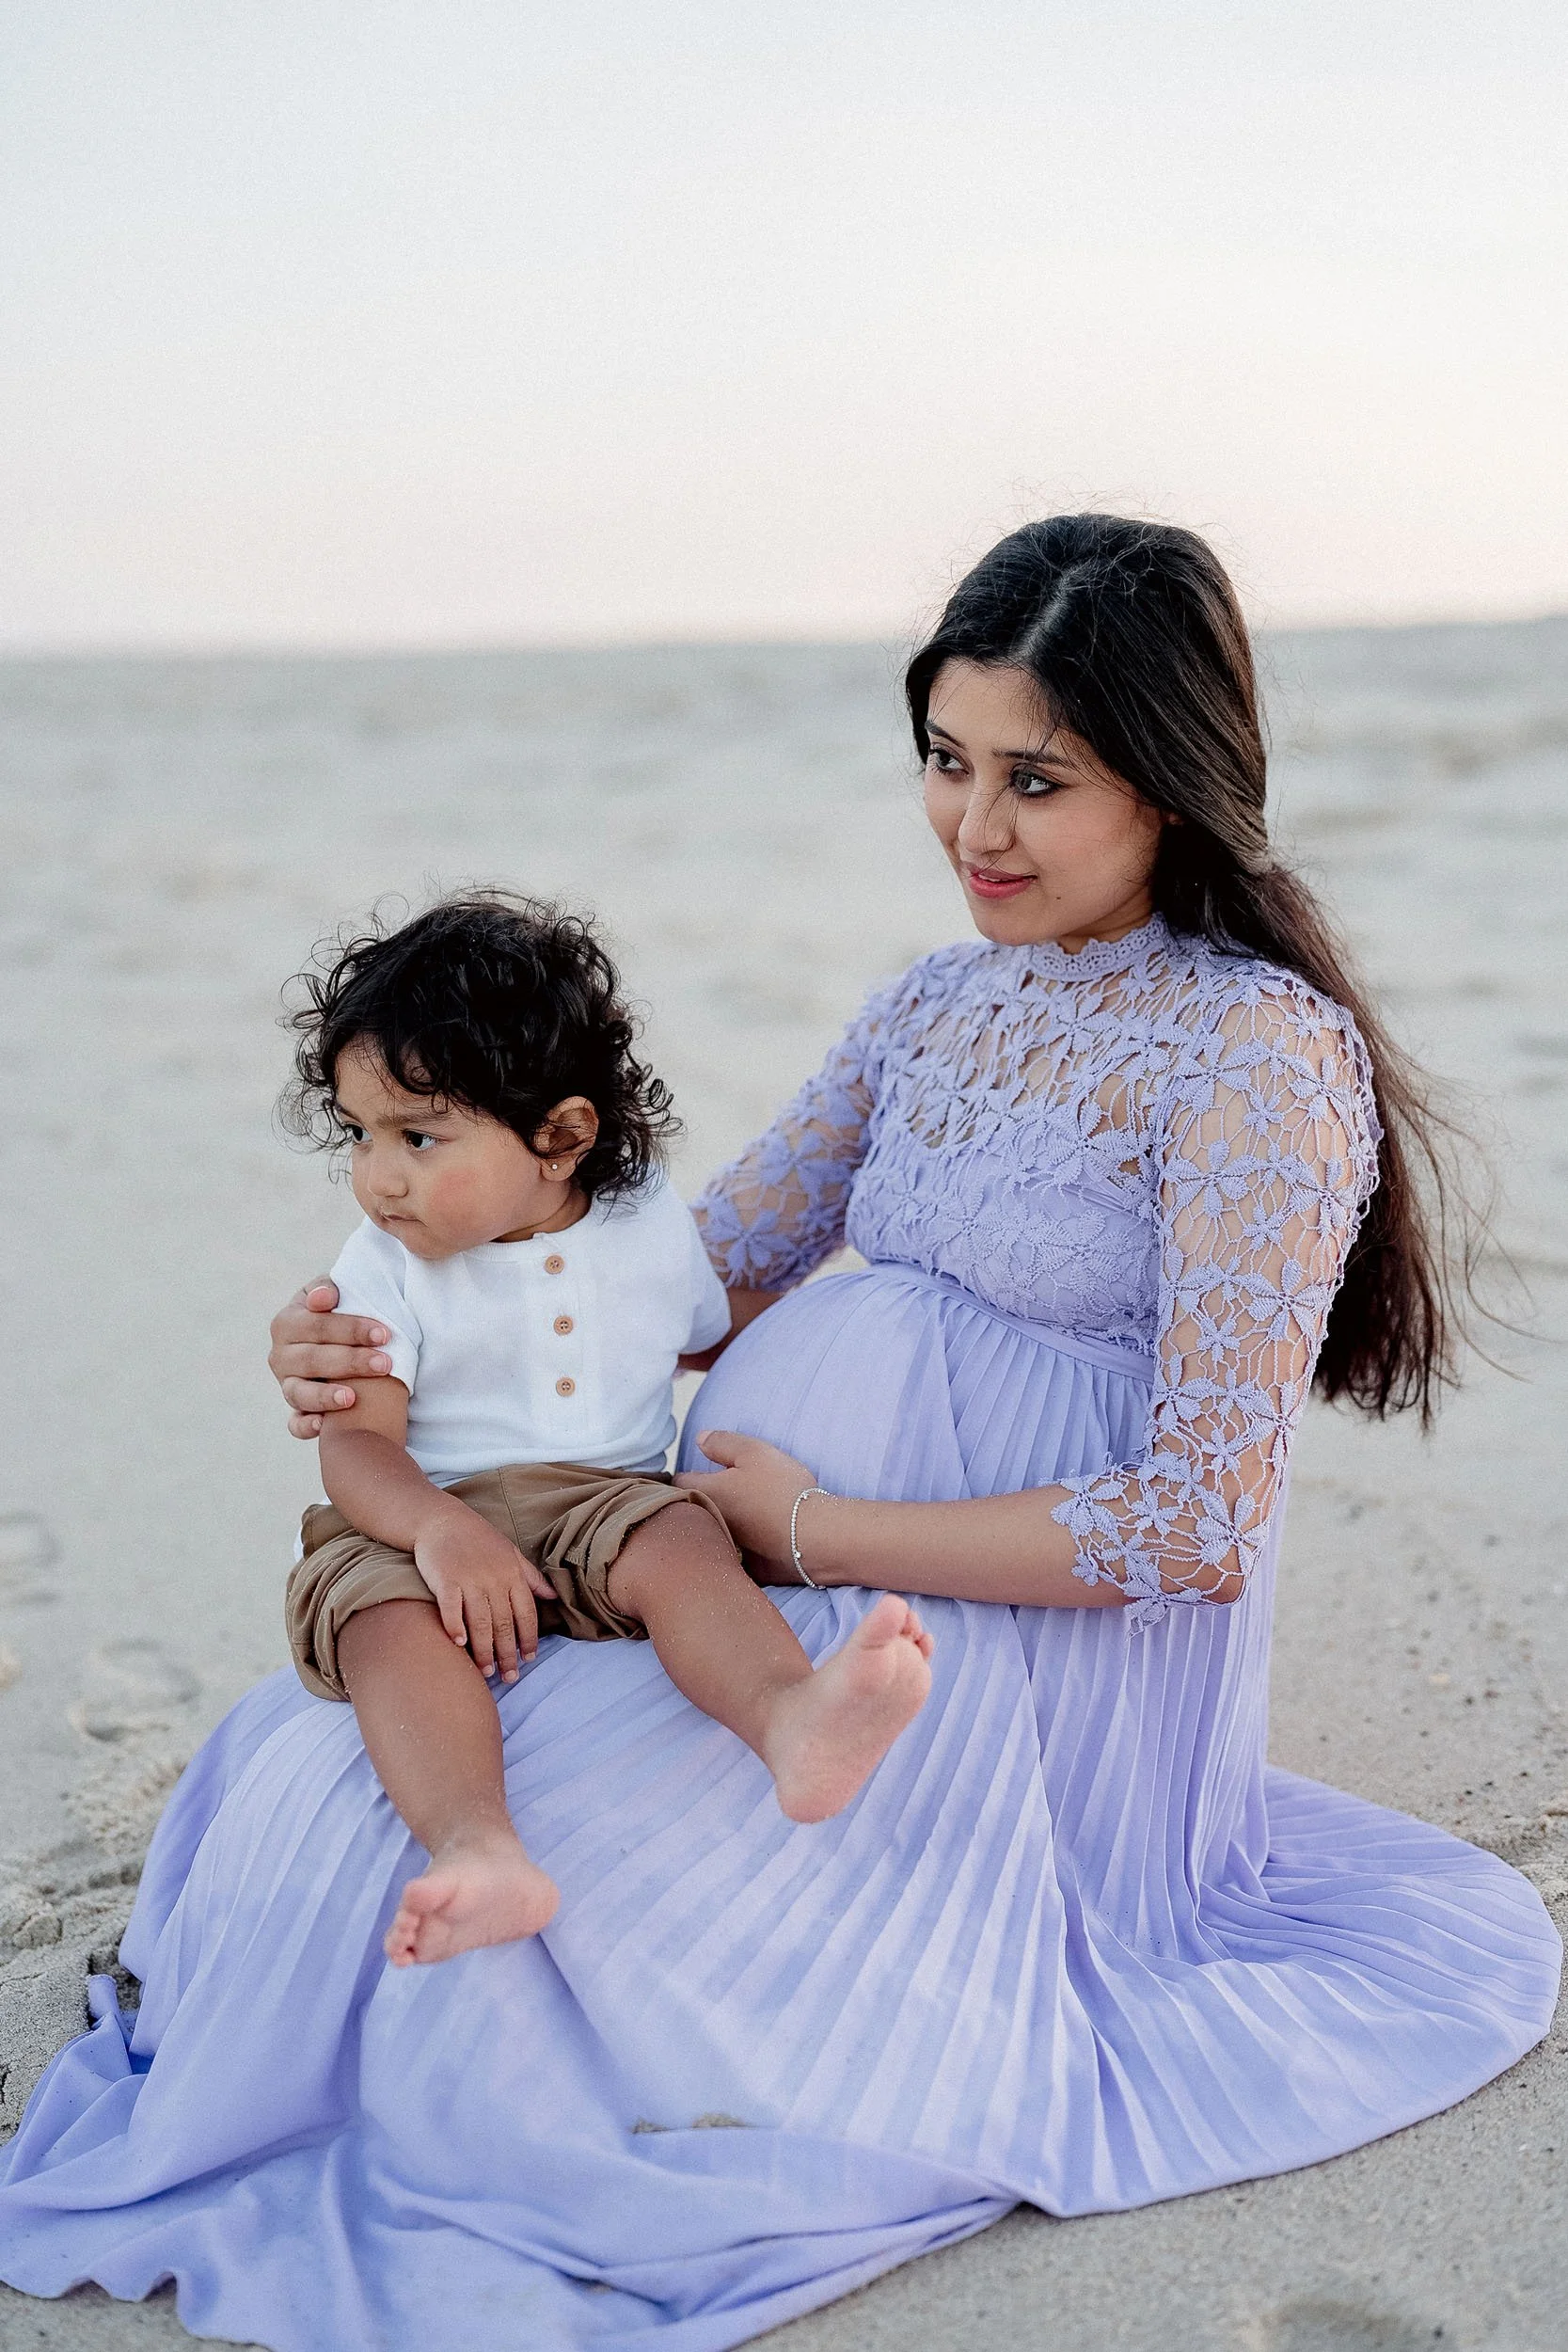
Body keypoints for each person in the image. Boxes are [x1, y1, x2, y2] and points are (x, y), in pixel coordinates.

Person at [0, 516, 1559, 2352]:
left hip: (991, 1668)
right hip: (749, 1584)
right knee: (334, 1760)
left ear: (1173, 778)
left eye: (1032, 780)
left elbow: (1186, 1526)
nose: (969, 827)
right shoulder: (928, 1002)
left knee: (494, 1915)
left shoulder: (1257, 1058)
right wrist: (403, 1326)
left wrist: (816, 1531)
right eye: (944, 761)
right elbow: (698, 1271)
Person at [279, 894, 933, 1963]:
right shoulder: (382, 1264)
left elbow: (712, 1334)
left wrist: (870, 1315)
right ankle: (477, 1847)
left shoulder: (643, 1228)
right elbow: (354, 1444)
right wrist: (439, 1533)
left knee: (681, 1537)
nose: (378, 1175)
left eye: (419, 1134)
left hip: (603, 1503)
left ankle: (789, 1718)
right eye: (360, 1134)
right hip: (422, 1512)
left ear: (561, 1136)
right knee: (373, 1620)